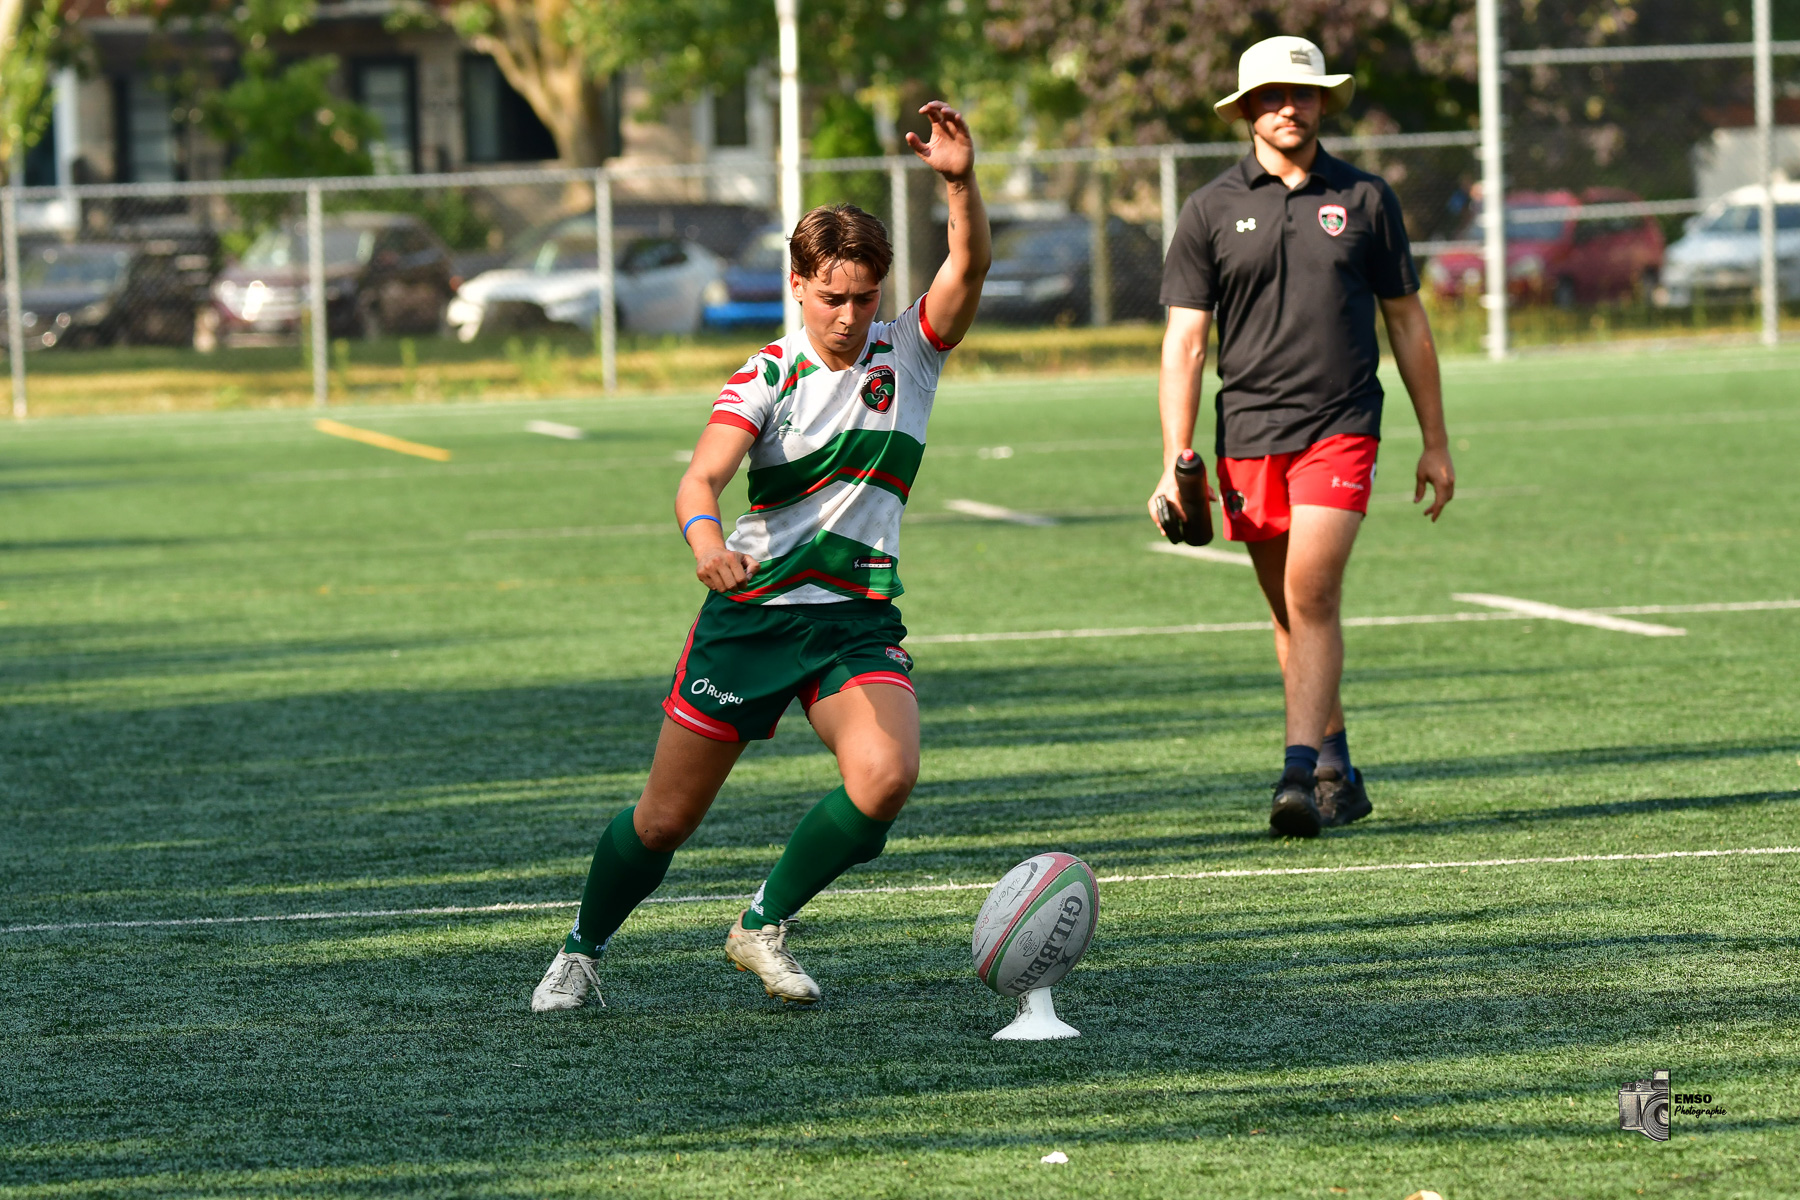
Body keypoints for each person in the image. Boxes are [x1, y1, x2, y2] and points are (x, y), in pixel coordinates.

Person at [532, 101, 990, 1012]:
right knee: (664, 821)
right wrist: (706, 544)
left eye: (865, 298)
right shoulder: (766, 375)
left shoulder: (913, 353)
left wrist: (959, 181)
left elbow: (969, 263)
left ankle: (761, 924)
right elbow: (700, 479)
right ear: (797, 284)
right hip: (752, 618)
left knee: (886, 778)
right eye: (832, 297)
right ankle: (582, 949)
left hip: (854, 623)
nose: (851, 317)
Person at [1148, 37, 1455, 838]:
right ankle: (1338, 766)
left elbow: (1409, 325)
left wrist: (1436, 439)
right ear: (1248, 109)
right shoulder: (1209, 208)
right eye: (1276, 94)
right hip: (1247, 432)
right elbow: (1185, 343)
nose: (1292, 106)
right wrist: (1173, 456)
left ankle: (1298, 773)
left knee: (1312, 593)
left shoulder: (1367, 198)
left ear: (1323, 104)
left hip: (1343, 425)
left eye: (1306, 93)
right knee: (1290, 614)